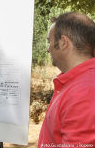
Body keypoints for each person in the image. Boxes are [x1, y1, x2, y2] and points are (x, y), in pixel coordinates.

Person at [38, 12, 95, 148]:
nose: (48, 49)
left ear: (63, 43)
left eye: (49, 41)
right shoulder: (76, 82)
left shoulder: (83, 91)